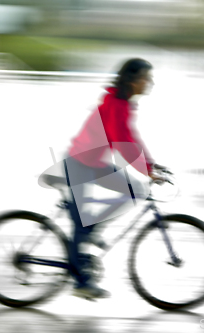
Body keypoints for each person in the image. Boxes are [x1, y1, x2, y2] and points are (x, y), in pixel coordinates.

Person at [64, 58, 165, 299]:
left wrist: (150, 164)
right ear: (132, 79)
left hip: (94, 164)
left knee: (136, 190)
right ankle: (81, 283)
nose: (150, 82)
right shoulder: (115, 104)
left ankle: (92, 229)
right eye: (146, 78)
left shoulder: (123, 104)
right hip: (79, 164)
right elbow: (121, 141)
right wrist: (145, 169)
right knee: (81, 224)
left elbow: (131, 137)